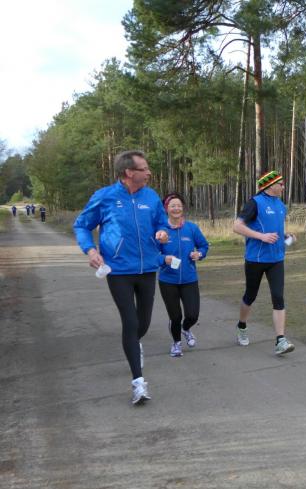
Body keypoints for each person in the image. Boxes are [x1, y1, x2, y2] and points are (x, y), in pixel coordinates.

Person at [73, 150, 169, 405]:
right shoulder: (104, 197)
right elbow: (81, 225)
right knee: (130, 321)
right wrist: (90, 250)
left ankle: (134, 346)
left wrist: (162, 232)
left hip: (147, 269)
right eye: (144, 169)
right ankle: (138, 382)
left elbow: (162, 222)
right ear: (129, 172)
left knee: (143, 324)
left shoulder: (151, 196)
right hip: (118, 270)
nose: (149, 173)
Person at [233, 170, 296, 355]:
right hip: (256, 259)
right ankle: (242, 326)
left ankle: (280, 340)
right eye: (281, 184)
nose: (283, 187)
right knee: (250, 296)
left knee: (278, 297)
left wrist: (287, 236)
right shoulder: (254, 203)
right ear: (270, 185)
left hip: (276, 259)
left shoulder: (281, 205)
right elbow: (237, 226)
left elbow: (275, 230)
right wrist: (261, 236)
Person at [157, 193, 210, 357]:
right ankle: (176, 343)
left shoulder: (191, 228)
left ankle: (185, 329)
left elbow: (204, 246)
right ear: (166, 209)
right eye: (172, 205)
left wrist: (199, 254)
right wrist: (163, 259)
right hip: (168, 280)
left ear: (183, 208)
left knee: (193, 315)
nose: (176, 208)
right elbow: (152, 254)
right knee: (175, 316)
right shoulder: (160, 231)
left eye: (179, 205)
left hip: (189, 279)